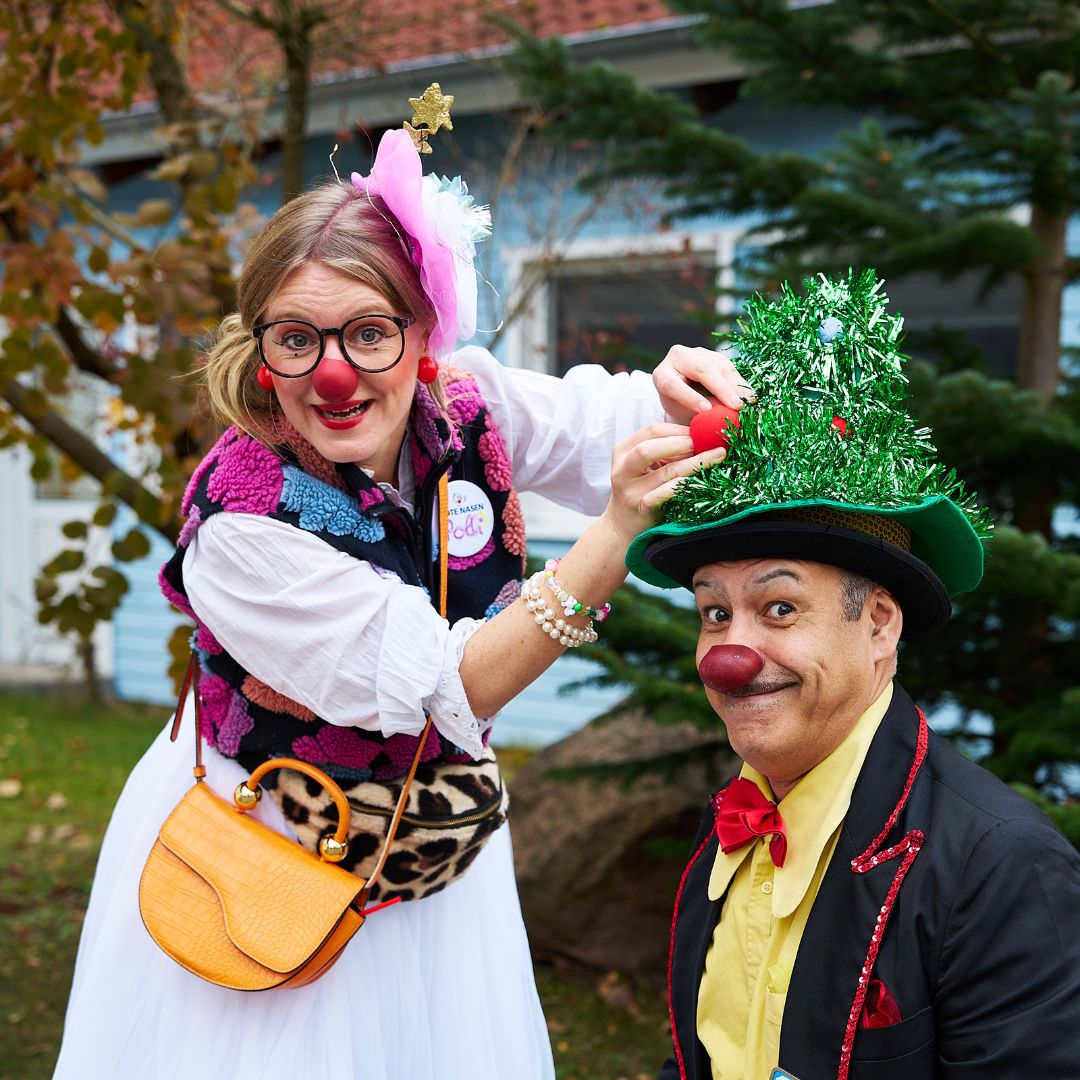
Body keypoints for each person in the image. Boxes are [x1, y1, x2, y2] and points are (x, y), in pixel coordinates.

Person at [53, 94, 749, 1080]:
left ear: (424, 331)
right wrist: (614, 538)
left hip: (431, 833)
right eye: (297, 338)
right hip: (277, 846)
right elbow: (453, 685)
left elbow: (611, 427)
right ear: (261, 348)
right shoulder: (241, 529)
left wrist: (688, 391)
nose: (333, 376)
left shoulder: (465, 402)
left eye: (370, 332)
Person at [624, 270, 1080, 1080]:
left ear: (878, 624)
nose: (730, 651)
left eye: (780, 608)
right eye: (715, 612)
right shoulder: (730, 822)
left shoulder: (1001, 865)